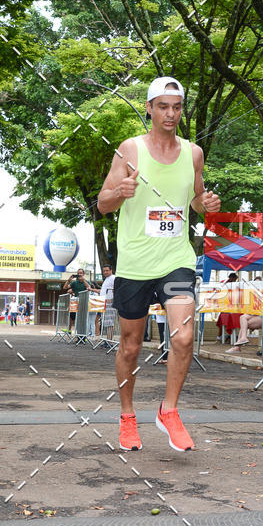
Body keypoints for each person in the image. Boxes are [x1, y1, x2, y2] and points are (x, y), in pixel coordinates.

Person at [97, 75, 220, 452]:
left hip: (176, 258)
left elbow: (196, 199)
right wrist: (120, 192)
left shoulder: (193, 153)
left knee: (183, 336)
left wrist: (206, 205)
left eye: (177, 107)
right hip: (134, 262)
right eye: (163, 106)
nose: (170, 113)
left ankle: (169, 411)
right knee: (131, 346)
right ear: (149, 108)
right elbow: (102, 203)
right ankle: (128, 416)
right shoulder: (129, 150)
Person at [97, 264, 115, 336]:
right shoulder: (107, 279)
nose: (105, 272)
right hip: (104, 303)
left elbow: (116, 289)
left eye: (107, 270)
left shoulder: (113, 278)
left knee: (110, 323)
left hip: (110, 303)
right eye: (104, 271)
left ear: (111, 270)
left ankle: (109, 341)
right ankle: (106, 340)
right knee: (106, 323)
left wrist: (112, 299)